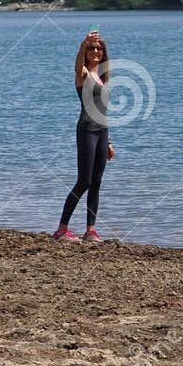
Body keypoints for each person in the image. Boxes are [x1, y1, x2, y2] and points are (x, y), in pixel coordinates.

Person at [55, 30, 116, 242]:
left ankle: (90, 230)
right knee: (84, 181)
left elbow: (102, 110)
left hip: (102, 132)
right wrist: (83, 44)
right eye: (92, 48)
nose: (95, 51)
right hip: (87, 131)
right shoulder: (82, 73)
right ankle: (62, 229)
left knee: (97, 182)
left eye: (99, 48)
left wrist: (108, 142)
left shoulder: (104, 76)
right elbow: (76, 65)